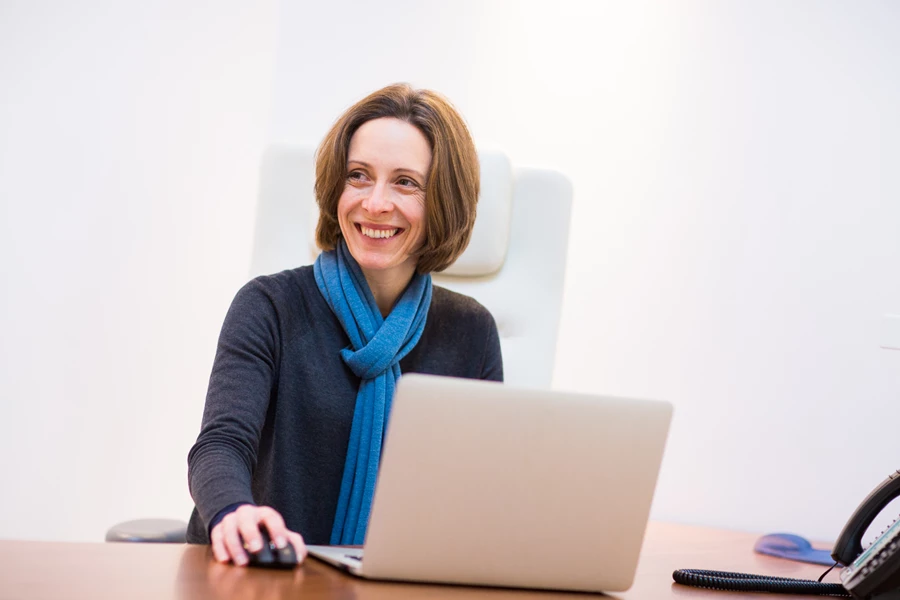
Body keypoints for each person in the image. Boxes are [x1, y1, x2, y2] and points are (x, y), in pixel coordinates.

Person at [186, 83, 503, 566]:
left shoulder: (471, 332)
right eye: (358, 176)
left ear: (444, 200)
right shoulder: (269, 305)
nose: (375, 203)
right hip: (261, 574)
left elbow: (481, 490)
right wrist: (233, 511)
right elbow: (221, 444)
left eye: (405, 182)